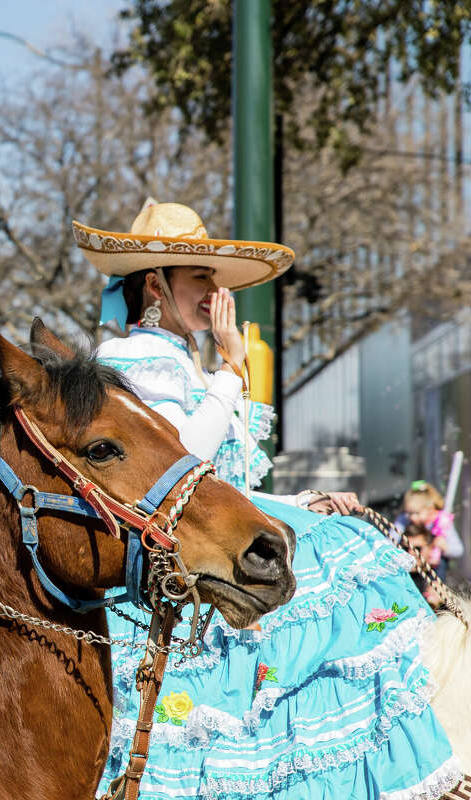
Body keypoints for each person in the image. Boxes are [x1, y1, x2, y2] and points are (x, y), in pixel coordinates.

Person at [74, 202, 458, 799]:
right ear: (155, 284)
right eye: (198, 276)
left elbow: (224, 484)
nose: (214, 290)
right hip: (176, 550)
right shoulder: (130, 358)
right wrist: (231, 369)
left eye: (214, 277)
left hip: (209, 531)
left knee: (346, 543)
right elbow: (182, 467)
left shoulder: (179, 359)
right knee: (351, 563)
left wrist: (300, 499)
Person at [398, 479, 462, 578]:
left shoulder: (443, 522)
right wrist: (407, 542)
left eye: (417, 513)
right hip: (411, 568)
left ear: (431, 509)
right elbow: (390, 539)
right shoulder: (404, 519)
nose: (412, 517)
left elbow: (458, 550)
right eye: (409, 513)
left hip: (434, 570)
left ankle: (434, 590)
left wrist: (445, 547)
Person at [402, 523, 443, 609]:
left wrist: (442, 603)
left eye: (417, 548)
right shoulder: (398, 579)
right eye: (405, 549)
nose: (410, 553)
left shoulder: (444, 577)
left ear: (431, 548)